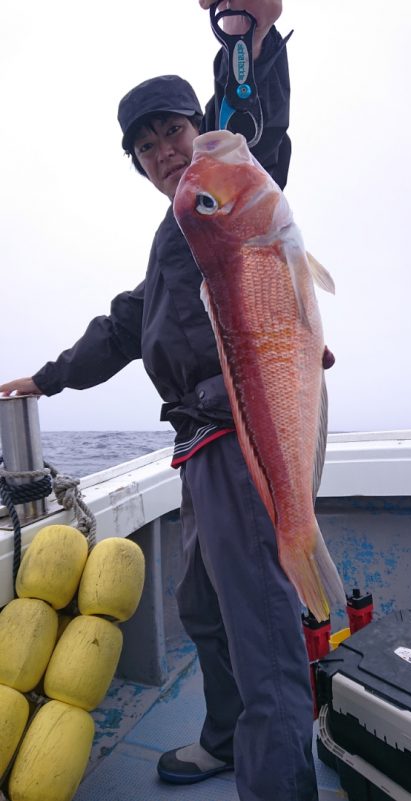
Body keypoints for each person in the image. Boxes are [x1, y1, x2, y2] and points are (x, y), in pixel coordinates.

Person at [1, 2, 323, 799]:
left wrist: (247, 37)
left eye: (172, 132)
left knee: (261, 634)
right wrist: (46, 377)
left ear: (200, 125)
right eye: (145, 148)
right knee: (202, 609)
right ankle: (221, 737)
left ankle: (278, 783)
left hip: (241, 431)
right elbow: (123, 326)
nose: (163, 153)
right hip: (194, 444)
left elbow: (255, 119)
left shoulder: (227, 194)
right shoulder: (180, 235)